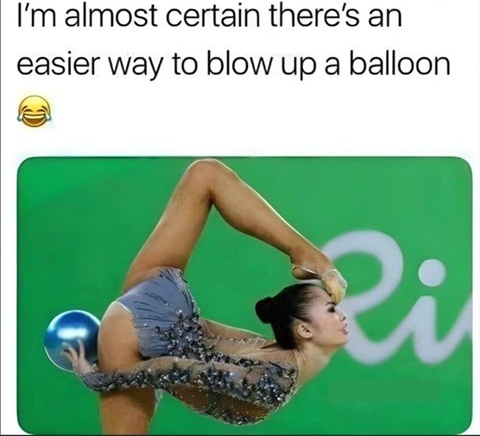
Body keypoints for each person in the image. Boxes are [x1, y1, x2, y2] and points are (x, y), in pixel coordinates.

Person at [63, 159, 348, 434]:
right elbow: (176, 368)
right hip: (133, 337)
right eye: (331, 310)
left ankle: (308, 255)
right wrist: (101, 379)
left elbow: (199, 335)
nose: (343, 314)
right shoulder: (275, 381)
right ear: (304, 329)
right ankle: (310, 257)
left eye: (332, 309)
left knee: (205, 173)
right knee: (204, 174)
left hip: (160, 294)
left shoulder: (266, 350)